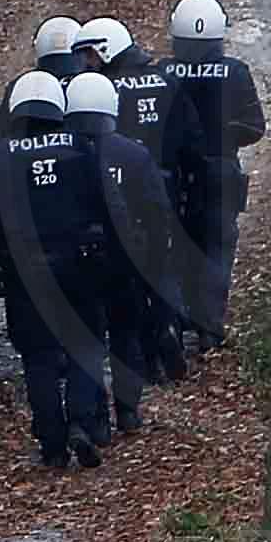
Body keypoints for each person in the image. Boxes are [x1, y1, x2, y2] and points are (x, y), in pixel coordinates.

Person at [0, 69, 117, 469]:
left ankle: (51, 440)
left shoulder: (0, 156)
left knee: (39, 355)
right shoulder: (81, 148)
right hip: (80, 265)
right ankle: (81, 420)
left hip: (25, 271)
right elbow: (106, 204)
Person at [153, 0, 268, 341]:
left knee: (174, 246)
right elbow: (255, 128)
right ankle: (209, 327)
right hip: (220, 174)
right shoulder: (236, 72)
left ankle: (176, 319)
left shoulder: (162, 72)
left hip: (172, 175)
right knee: (217, 248)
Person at [65, 65, 185, 395]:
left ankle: (89, 414)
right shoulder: (133, 153)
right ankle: (129, 406)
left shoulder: (58, 156)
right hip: (124, 255)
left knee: (84, 336)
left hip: (74, 257)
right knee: (125, 330)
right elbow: (156, 210)